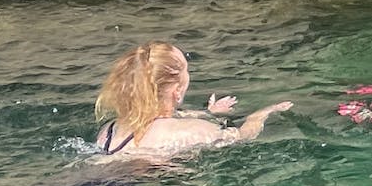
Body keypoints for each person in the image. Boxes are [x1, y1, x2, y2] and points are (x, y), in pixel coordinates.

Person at [95, 42, 292, 162]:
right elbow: (243, 137)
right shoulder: (192, 130)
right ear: (177, 91)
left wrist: (209, 114)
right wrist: (260, 115)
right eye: (186, 70)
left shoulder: (109, 130)